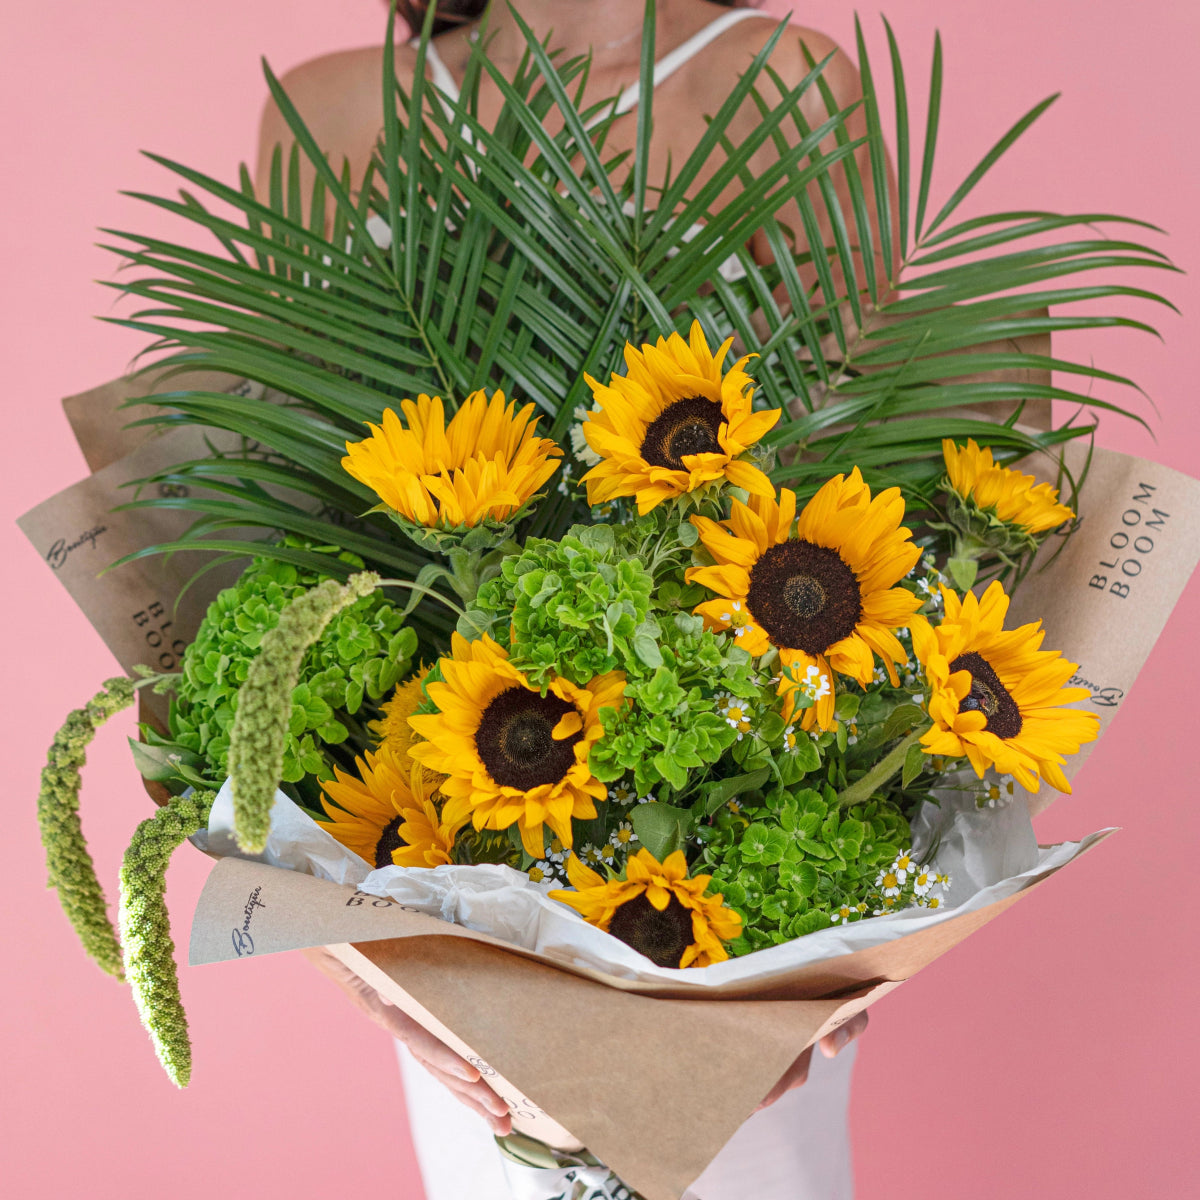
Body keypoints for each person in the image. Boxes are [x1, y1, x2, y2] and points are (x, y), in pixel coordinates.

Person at [264, 3, 877, 1195]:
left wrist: (838, 952)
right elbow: (274, 528)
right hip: (442, 876)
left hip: (739, 905)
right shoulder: (329, 111)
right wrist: (352, 953)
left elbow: (875, 480)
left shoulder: (786, 79)